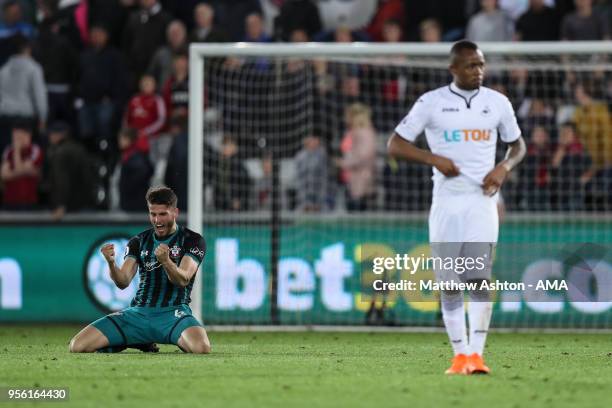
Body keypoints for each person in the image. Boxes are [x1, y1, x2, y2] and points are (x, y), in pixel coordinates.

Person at [387, 40, 526, 375]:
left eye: (480, 64)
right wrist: (432, 158)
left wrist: (503, 168)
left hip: (482, 202)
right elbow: (395, 144)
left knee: (479, 278)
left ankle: (477, 356)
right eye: (470, 65)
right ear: (453, 69)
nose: (478, 71)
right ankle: (459, 355)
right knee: (449, 282)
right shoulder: (432, 102)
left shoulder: (498, 103)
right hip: (447, 202)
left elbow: (517, 146)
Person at [69, 186, 211, 354]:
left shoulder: (192, 240)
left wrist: (166, 262)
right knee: (77, 346)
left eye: (163, 214)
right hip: (138, 314)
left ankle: (149, 338)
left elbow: (183, 279)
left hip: (173, 313)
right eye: (153, 214)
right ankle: (138, 340)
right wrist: (111, 263)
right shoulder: (139, 241)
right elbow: (123, 281)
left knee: (201, 348)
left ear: (175, 212)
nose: (157, 220)